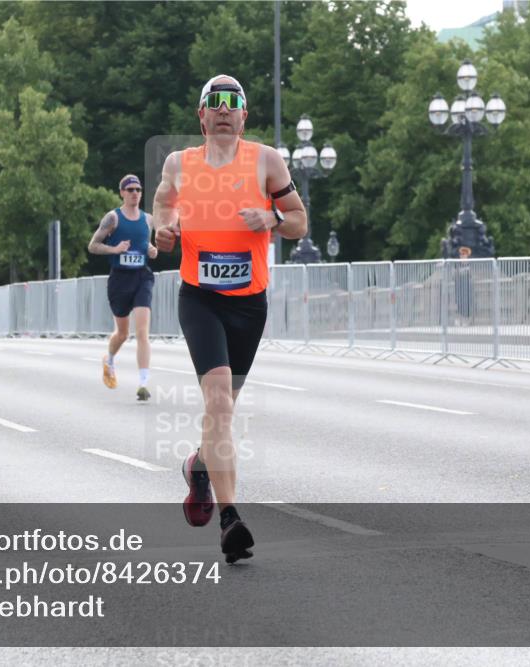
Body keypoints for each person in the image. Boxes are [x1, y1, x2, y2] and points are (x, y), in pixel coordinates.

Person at [153, 75, 307, 562]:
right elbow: (161, 206)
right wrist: (163, 229)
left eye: (232, 103)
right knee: (217, 402)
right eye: (213, 103)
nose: (223, 110)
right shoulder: (179, 164)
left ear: (244, 115)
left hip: (248, 303)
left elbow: (300, 221)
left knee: (222, 413)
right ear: (201, 116)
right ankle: (230, 519)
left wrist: (275, 221)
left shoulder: (266, 160)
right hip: (200, 298)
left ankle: (198, 465)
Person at [87, 174, 158, 401]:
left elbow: (142, 242)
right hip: (119, 280)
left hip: (142, 277)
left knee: (143, 331)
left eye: (138, 189)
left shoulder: (148, 219)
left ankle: (143, 383)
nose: (135, 193)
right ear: (122, 193)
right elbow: (93, 246)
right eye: (130, 190)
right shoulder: (113, 218)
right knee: (123, 333)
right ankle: (109, 358)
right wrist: (114, 249)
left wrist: (152, 249)